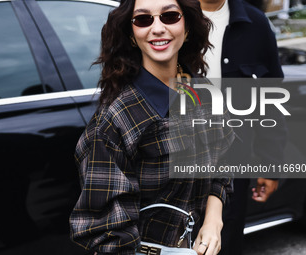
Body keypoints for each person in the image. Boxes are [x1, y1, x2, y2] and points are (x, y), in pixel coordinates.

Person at [69, 0, 235, 254]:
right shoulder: (115, 120)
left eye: (169, 16)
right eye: (143, 19)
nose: (157, 28)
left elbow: (225, 159)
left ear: (187, 27)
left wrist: (214, 220)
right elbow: (106, 234)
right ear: (132, 35)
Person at [198, 0, 287, 255]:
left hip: (232, 171)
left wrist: (271, 167)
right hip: (171, 171)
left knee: (226, 245)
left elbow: (270, 101)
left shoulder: (256, 24)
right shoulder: (170, 17)